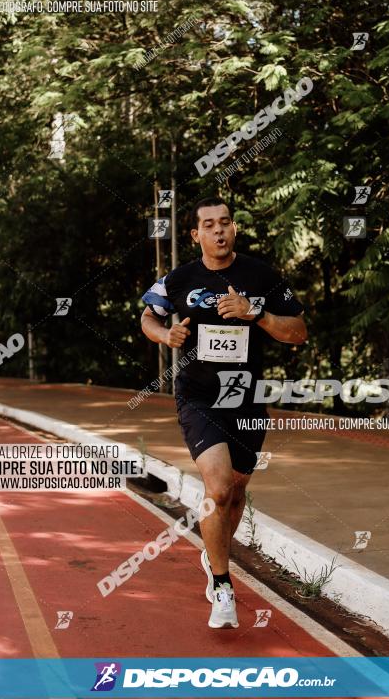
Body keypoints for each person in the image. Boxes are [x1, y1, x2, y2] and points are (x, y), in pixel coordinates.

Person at [141, 197, 306, 628]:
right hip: (197, 396)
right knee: (216, 489)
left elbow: (299, 332)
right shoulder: (178, 279)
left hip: (247, 399)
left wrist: (258, 314)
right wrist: (165, 334)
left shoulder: (262, 276)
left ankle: (211, 553)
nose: (219, 231)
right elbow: (147, 316)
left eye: (226, 223)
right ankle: (222, 584)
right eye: (209, 225)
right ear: (196, 235)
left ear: (234, 229)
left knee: (235, 491)